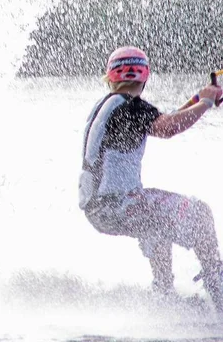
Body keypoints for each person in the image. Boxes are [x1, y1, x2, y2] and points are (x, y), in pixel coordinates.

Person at [79, 46, 223, 311]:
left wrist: (197, 100)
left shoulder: (108, 106)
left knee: (158, 221)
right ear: (145, 78)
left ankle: (164, 296)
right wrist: (206, 102)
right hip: (120, 205)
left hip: (98, 209)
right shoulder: (132, 107)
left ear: (110, 77)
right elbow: (168, 127)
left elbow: (159, 122)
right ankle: (219, 289)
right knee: (200, 214)